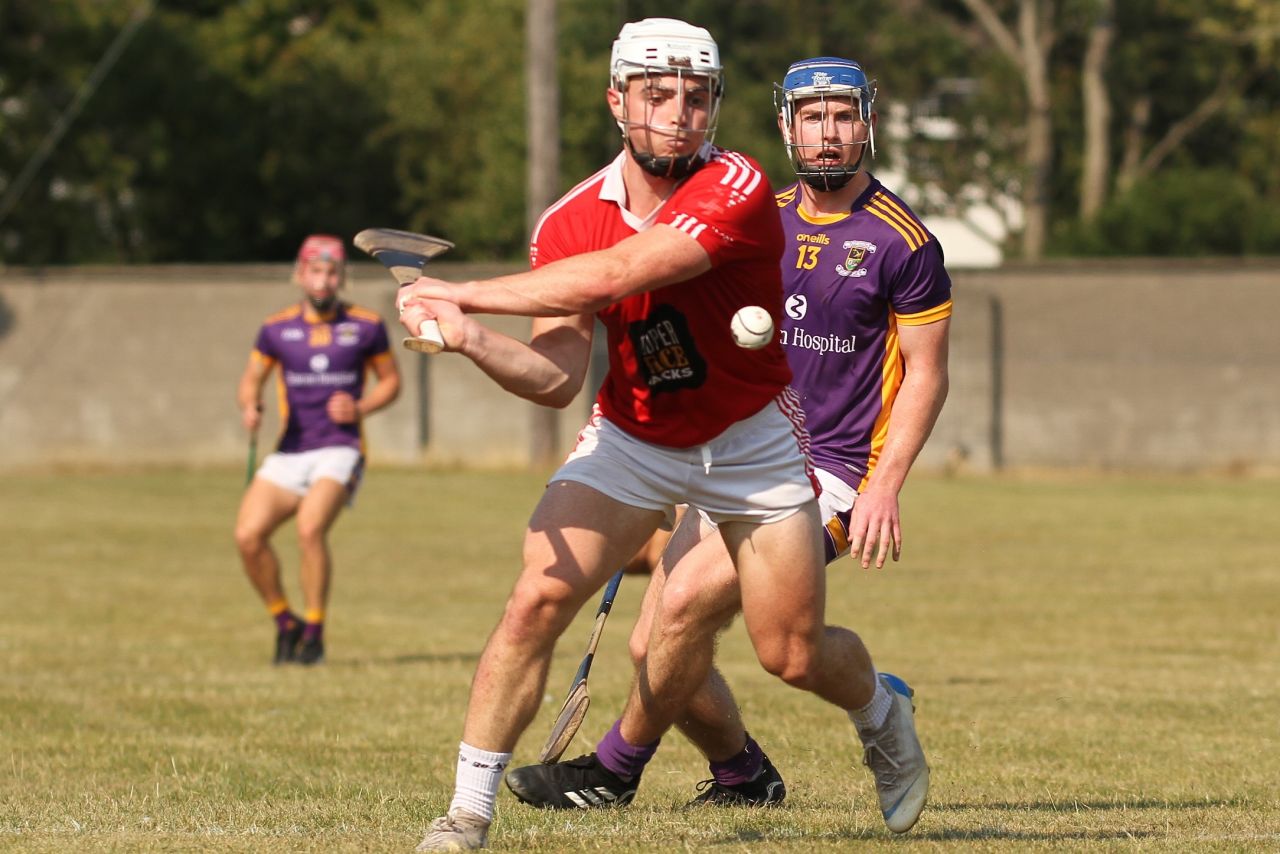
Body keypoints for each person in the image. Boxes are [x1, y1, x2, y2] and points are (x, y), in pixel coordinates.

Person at [395, 20, 897, 852]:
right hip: (634, 435)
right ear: (616, 101)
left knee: (790, 651)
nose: (679, 115)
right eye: (657, 96)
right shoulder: (567, 222)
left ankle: (883, 713)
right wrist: (470, 340)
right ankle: (466, 814)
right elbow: (557, 378)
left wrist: (466, 293)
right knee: (536, 599)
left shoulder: (734, 181)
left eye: (696, 98)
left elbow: (627, 271)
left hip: (752, 439)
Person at [503, 56, 951, 834]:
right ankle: (746, 770)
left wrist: (885, 486)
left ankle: (615, 772)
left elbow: (926, 377)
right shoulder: (750, 213)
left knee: (724, 627)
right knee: (686, 644)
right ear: (786, 126)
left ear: (867, 123)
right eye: (811, 117)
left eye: (842, 115)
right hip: (739, 445)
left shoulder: (901, 240)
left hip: (834, 470)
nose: (828, 132)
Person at [233, 234, 400, 666]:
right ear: (300, 274)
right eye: (316, 271)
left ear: (341, 277)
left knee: (309, 529)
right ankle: (284, 623)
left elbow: (391, 382)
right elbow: (251, 379)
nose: (324, 281)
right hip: (291, 450)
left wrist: (360, 407)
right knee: (248, 537)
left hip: (340, 449)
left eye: (332, 272)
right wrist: (249, 405)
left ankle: (315, 633)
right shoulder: (276, 329)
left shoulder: (365, 325)